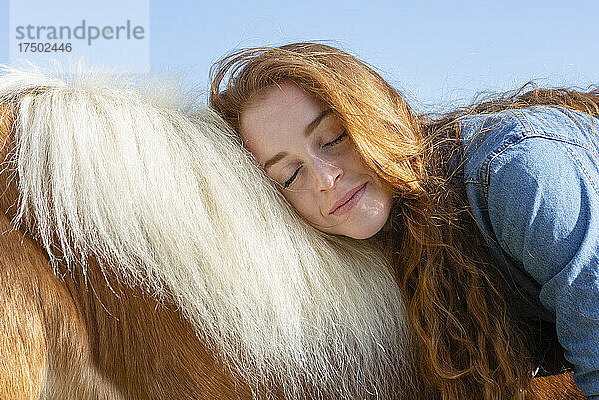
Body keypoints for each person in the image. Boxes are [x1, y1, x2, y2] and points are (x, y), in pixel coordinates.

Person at [209, 42, 599, 400]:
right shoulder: (396, 250)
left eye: (333, 139)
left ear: (380, 114)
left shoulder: (518, 177)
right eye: (291, 176)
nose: (326, 181)